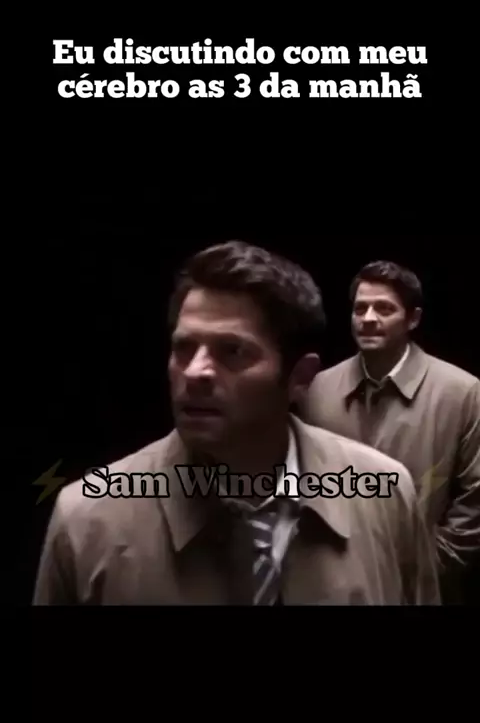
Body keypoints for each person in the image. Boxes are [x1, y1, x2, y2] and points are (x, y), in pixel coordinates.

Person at [33, 243, 440, 605]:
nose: (195, 372)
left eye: (232, 351)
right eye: (184, 348)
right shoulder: (87, 520)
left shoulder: (385, 494)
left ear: (300, 378)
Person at [300, 260, 480, 603]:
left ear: (413, 319)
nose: (368, 318)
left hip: (420, 583)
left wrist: (426, 566)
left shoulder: (461, 392)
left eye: (384, 308)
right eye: (360, 309)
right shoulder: (318, 389)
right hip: (330, 581)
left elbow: (475, 498)